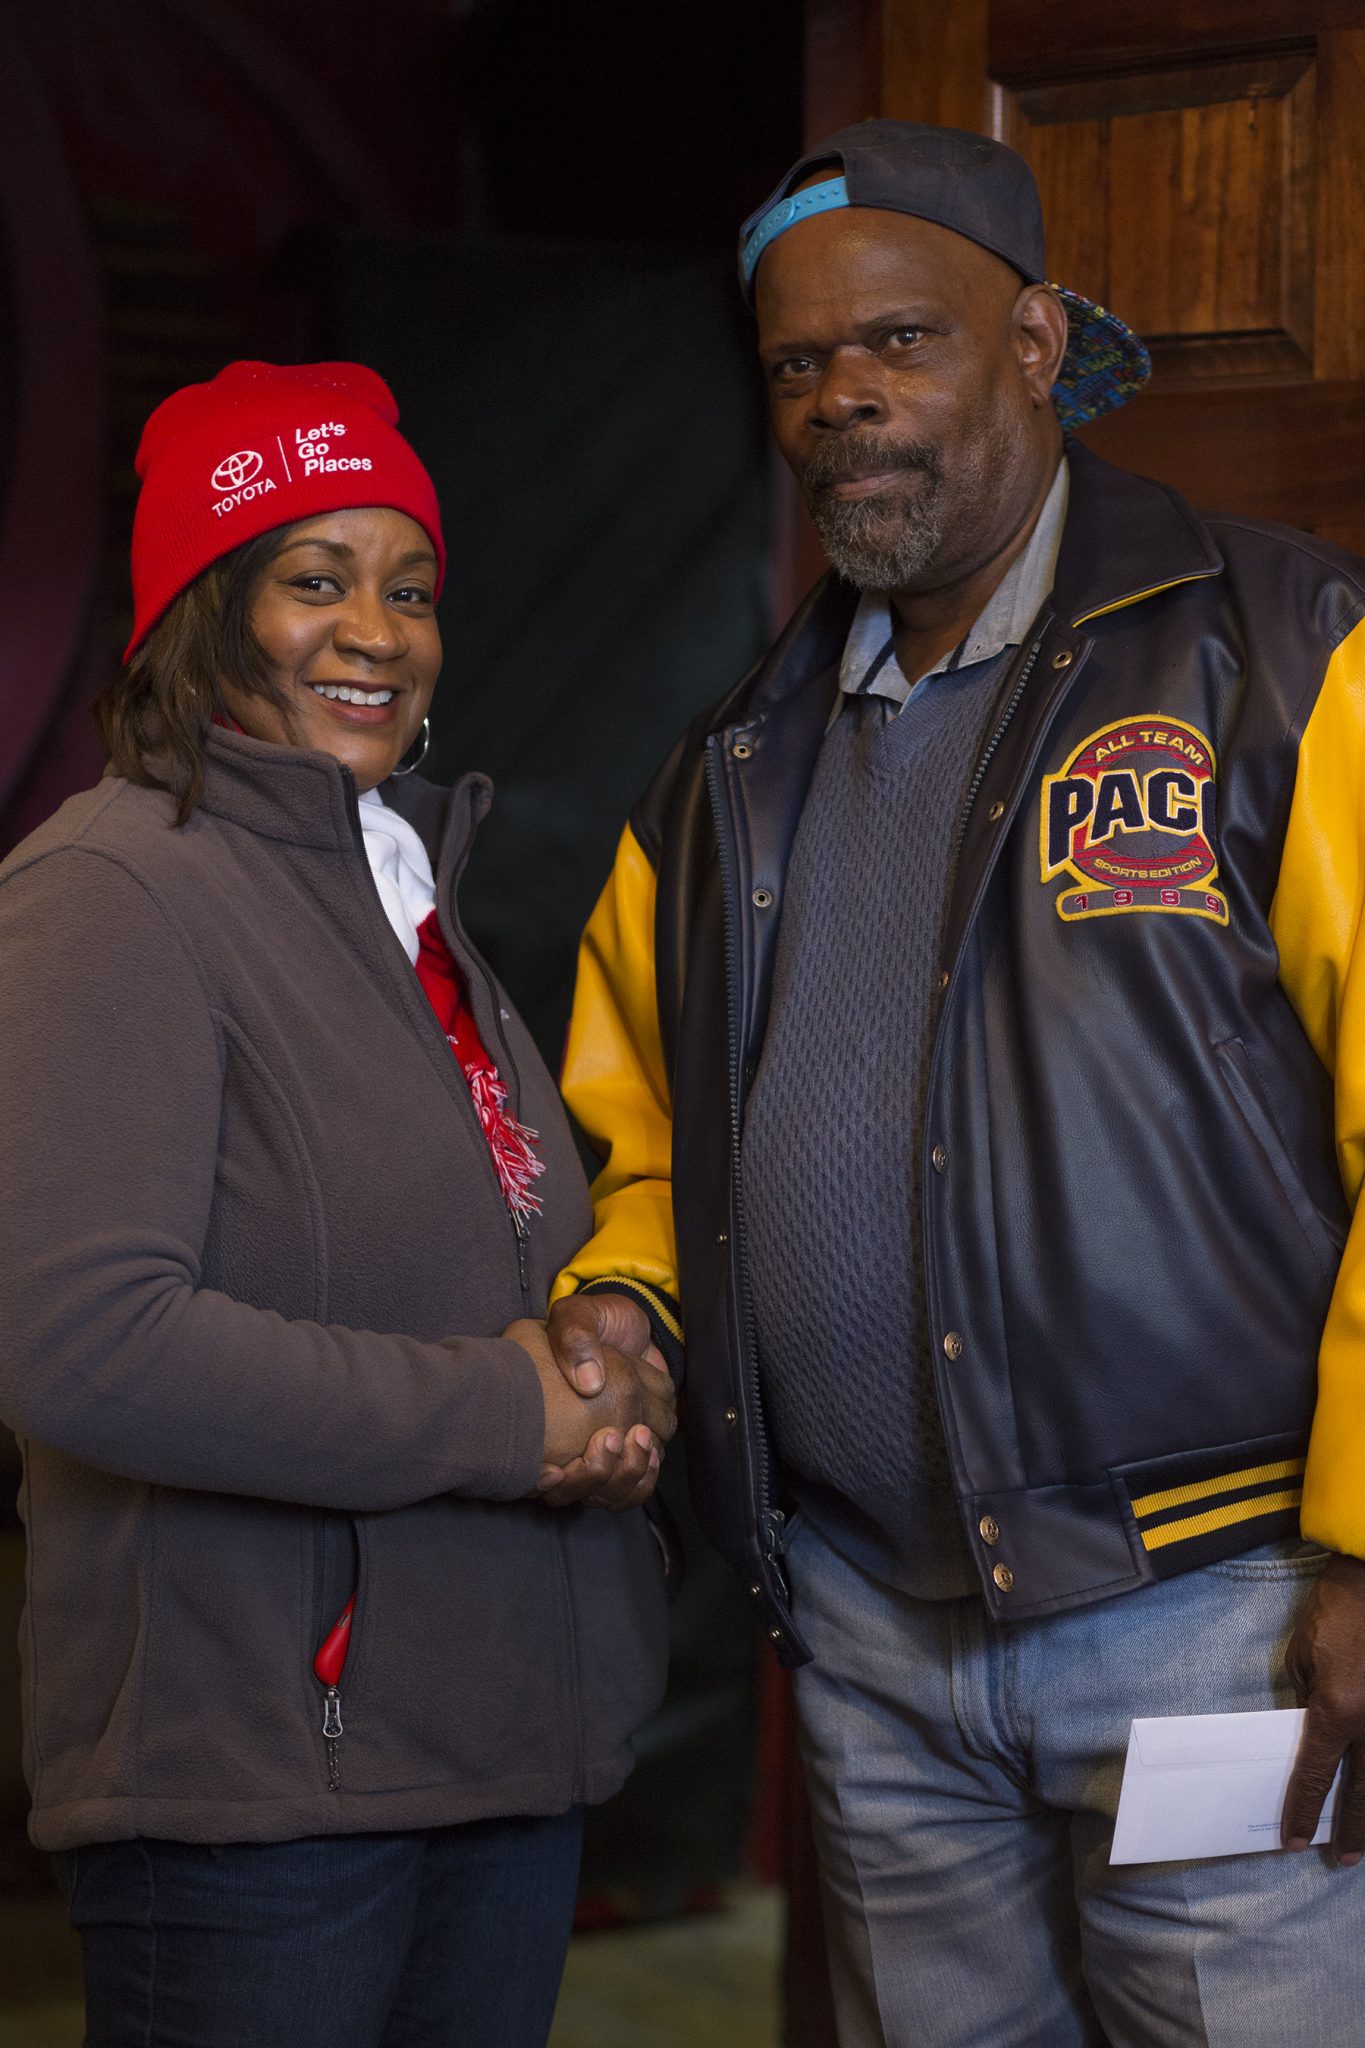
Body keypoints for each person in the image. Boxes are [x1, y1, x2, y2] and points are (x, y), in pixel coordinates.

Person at [546, 123, 1365, 2044]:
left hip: (1221, 1622)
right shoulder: (722, 771)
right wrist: (624, 1303)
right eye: (797, 362)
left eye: (897, 340)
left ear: (1034, 340)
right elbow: (652, 1144)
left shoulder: (1280, 651)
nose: (840, 396)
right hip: (869, 1635)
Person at [0, 358, 676, 2048]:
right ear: (202, 612)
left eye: (412, 589)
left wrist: (602, 1365)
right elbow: (86, 1347)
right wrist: (507, 1412)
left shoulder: (400, 890)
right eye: (315, 580)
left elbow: (489, 1253)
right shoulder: (109, 891)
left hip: (498, 1753)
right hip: (259, 1800)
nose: (378, 632)